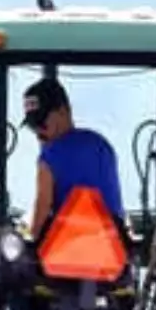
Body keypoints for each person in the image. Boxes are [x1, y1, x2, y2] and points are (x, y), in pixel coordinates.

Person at [21, 77, 125, 240]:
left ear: (63, 111)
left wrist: (32, 242)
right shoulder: (102, 145)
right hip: (113, 244)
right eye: (32, 126)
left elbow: (42, 208)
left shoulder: (49, 156)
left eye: (41, 123)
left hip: (70, 245)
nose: (38, 132)